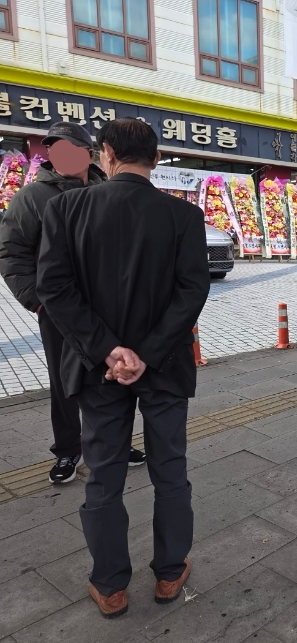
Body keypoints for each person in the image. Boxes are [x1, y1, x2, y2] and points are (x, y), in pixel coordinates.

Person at [36, 118, 210, 618]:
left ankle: (111, 585)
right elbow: (191, 292)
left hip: (98, 370)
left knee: (104, 475)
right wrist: (146, 354)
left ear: (106, 154)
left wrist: (109, 351)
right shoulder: (184, 216)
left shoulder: (64, 209)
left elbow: (54, 289)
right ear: (154, 159)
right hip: (165, 366)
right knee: (170, 470)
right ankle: (170, 572)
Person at [0, 121, 146, 484]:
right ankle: (67, 450)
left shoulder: (109, 188)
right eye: (54, 148)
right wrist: (37, 301)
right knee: (65, 380)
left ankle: (115, 440)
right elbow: (10, 250)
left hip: (109, 305)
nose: (61, 154)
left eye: (70, 147)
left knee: (111, 373)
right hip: (59, 308)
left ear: (90, 153)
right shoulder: (32, 197)